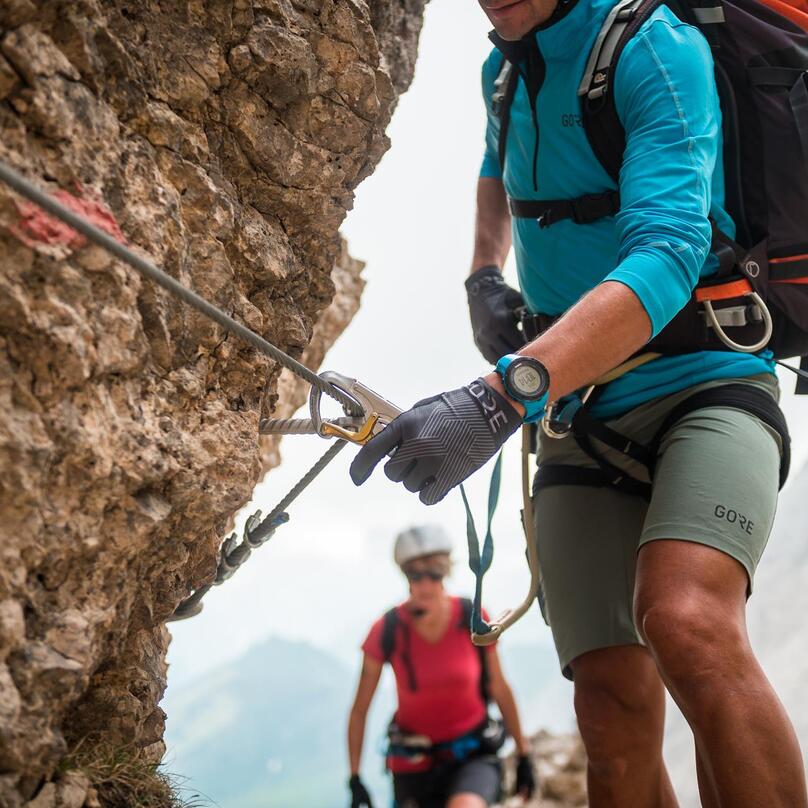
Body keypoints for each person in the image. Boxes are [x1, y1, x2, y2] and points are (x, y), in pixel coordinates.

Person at [349, 0, 808, 805]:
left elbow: (668, 255)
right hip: (578, 412)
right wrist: (483, 273)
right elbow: (497, 164)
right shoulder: (504, 66)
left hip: (707, 381)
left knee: (689, 625)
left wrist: (502, 396)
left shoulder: (653, 48)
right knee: (607, 699)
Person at [347, 525, 535, 808]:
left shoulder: (471, 617)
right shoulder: (386, 631)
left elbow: (499, 685)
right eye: (414, 573)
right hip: (413, 763)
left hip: (472, 755)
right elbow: (360, 709)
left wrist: (524, 754)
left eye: (433, 572)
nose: (424, 583)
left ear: (446, 571)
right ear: (405, 575)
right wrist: (355, 777)